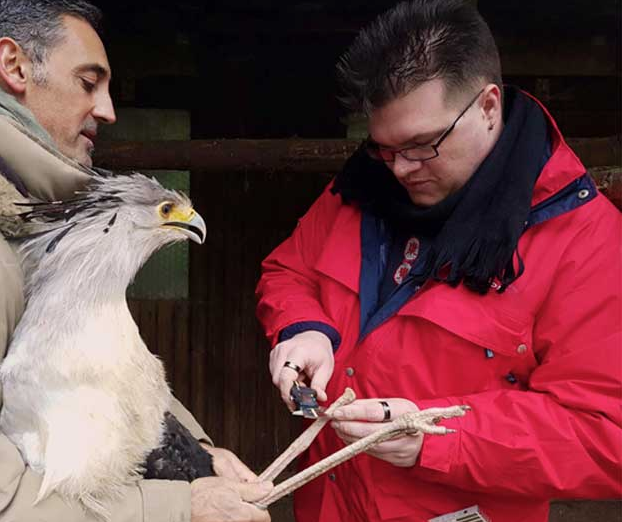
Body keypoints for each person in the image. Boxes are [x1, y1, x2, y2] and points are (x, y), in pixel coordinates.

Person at [0, 1, 271, 521]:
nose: (108, 110)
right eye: (88, 82)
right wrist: (174, 509)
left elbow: (107, 376)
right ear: (14, 66)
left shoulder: (44, 215)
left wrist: (192, 458)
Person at [256, 1, 622, 521]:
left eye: (423, 145)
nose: (401, 169)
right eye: (383, 147)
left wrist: (436, 435)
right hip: (330, 506)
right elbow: (288, 271)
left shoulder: (587, 240)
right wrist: (306, 330)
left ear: (488, 107)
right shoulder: (363, 185)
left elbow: (606, 433)